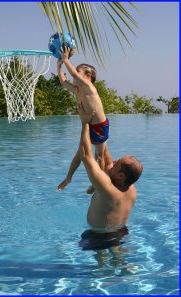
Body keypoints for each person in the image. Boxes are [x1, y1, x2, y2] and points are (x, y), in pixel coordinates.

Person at [76, 103, 143, 250]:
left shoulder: (107, 188)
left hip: (100, 236)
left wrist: (85, 123)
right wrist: (100, 125)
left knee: (101, 268)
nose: (113, 161)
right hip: (121, 232)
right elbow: (106, 159)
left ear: (120, 175)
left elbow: (85, 155)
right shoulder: (130, 187)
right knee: (117, 258)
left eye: (117, 163)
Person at [57, 45, 109, 194]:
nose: (74, 75)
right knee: (80, 154)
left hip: (99, 126)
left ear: (87, 76)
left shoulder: (89, 87)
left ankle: (98, 183)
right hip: (88, 126)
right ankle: (68, 178)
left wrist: (66, 60)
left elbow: (72, 72)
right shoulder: (78, 90)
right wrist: (59, 65)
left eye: (78, 72)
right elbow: (63, 81)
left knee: (100, 155)